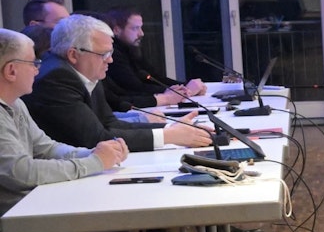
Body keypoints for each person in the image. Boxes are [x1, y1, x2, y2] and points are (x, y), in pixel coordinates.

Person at [0, 27, 134, 232]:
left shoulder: (15, 104)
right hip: (7, 229)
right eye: (32, 63)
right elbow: (22, 172)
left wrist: (93, 153)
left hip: (23, 213)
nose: (38, 69)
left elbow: (46, 147)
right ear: (11, 70)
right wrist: (93, 164)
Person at [24, 15, 212, 152]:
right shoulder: (56, 79)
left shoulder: (84, 69)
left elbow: (109, 123)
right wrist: (170, 136)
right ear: (73, 54)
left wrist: (171, 129)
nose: (110, 60)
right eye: (103, 54)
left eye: (110, 53)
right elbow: (95, 139)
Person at [96, 7, 205, 110]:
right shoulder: (114, 54)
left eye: (141, 28)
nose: (141, 34)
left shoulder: (130, 48)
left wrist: (183, 86)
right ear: (116, 30)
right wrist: (180, 91)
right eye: (135, 28)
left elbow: (154, 77)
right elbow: (133, 88)